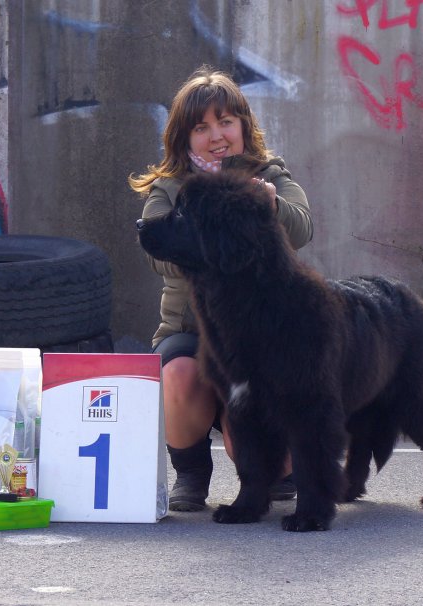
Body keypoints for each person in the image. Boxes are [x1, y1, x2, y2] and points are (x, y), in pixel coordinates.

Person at [129, 66, 313, 511]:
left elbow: (302, 228)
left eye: (226, 122)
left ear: (243, 127)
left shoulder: (270, 176)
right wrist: (211, 232)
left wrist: (269, 204)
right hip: (192, 333)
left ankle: (267, 467)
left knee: (275, 462)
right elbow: (156, 250)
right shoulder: (168, 186)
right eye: (201, 127)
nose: (216, 136)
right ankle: (191, 473)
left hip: (258, 336)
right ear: (182, 137)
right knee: (177, 375)